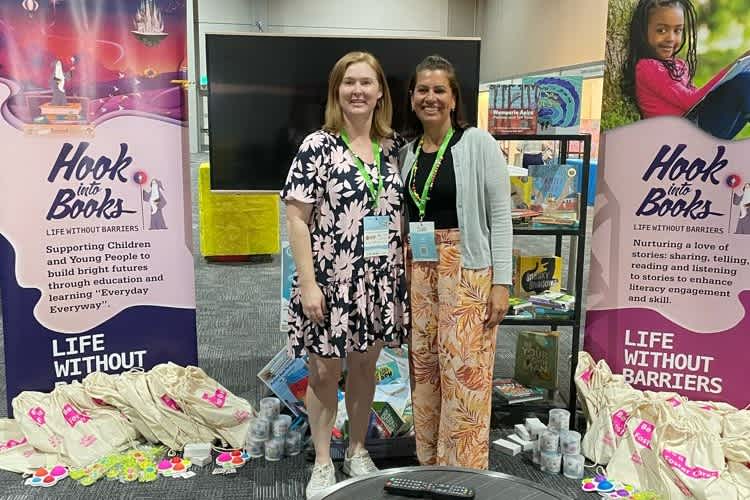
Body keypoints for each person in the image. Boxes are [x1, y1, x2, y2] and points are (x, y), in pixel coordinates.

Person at [280, 51, 408, 499]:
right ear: (338, 92)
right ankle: (320, 459)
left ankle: (356, 448)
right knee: (323, 371)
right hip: (331, 281)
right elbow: (296, 219)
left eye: (366, 83)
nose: (358, 90)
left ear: (379, 93)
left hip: (377, 282)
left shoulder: (394, 148)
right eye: (348, 83)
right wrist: (309, 283)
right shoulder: (319, 146)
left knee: (364, 368)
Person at [400, 55, 512, 469]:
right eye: (422, 90)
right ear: (411, 97)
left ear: (453, 98)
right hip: (421, 268)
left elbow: (501, 215)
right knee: (426, 369)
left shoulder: (476, 143)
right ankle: (430, 464)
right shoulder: (408, 153)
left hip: (466, 269)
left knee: (465, 373)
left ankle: (463, 471)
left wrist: (502, 282)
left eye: (439, 90)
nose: (430, 97)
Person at [622, 0, 750, 140]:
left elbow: (696, 98)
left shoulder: (679, 65)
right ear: (643, 31)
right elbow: (693, 102)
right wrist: (733, 67)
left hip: (695, 131)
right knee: (743, 82)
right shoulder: (647, 67)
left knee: (745, 81)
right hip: (680, 141)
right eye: (661, 30)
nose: (671, 38)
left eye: (677, 30)